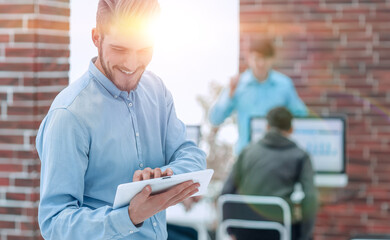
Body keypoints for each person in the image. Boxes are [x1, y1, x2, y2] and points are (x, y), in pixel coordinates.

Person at [36, 0, 206, 239]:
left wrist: (162, 178)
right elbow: (55, 224)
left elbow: (191, 154)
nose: (132, 64)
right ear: (97, 38)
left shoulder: (157, 90)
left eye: (143, 49)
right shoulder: (69, 115)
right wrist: (129, 216)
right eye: (120, 49)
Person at [221, 107, 318, 240]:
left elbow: (226, 191)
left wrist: (230, 228)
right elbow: (310, 199)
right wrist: (305, 236)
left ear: (267, 126)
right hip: (278, 231)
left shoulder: (246, 151)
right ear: (291, 129)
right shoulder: (300, 155)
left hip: (243, 229)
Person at [209, 39, 308, 154]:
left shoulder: (284, 85)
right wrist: (229, 96)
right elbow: (215, 119)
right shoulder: (237, 85)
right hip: (247, 156)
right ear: (249, 58)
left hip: (277, 154)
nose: (261, 63)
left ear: (272, 59)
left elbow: (302, 116)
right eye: (257, 58)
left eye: (265, 58)